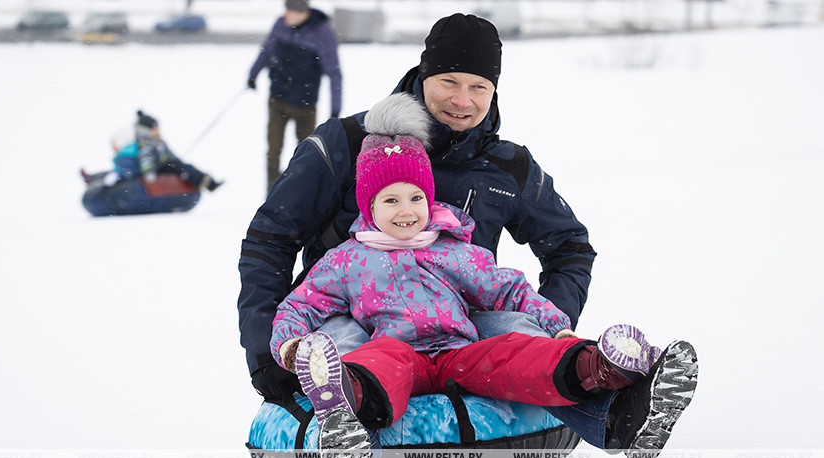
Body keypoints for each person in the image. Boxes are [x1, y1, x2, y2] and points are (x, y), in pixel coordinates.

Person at [271, 93, 697, 458]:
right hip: (399, 351)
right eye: (391, 200)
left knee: (512, 351)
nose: (407, 211)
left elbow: (509, 292)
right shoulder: (347, 259)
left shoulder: (453, 248)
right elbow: (299, 306)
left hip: (459, 352)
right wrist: (290, 348)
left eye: (416, 198)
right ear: (369, 205)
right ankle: (346, 408)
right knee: (381, 361)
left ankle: (599, 366)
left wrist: (559, 328)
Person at [238, 13, 596, 406]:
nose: (463, 101)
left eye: (479, 86)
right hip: (353, 325)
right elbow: (270, 239)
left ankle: (603, 388)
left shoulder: (506, 166)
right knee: (345, 349)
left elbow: (570, 246)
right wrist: (265, 355)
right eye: (449, 82)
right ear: (422, 76)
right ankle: (343, 404)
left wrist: (551, 324)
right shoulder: (348, 143)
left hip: (462, 333)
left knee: (520, 335)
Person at [246, 0, 342, 193]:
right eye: (286, 10)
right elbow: (266, 52)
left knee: (306, 152)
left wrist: (335, 107)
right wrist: (253, 75)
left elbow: (334, 72)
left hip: (305, 105)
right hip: (277, 100)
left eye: (292, 11)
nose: (287, 15)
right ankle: (271, 194)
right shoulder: (280, 25)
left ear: (303, 13)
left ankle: (301, 194)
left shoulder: (321, 33)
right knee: (273, 151)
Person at [81, 110, 223, 192]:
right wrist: (149, 174)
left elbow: (169, 154)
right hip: (157, 169)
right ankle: (92, 178)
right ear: (148, 129)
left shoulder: (157, 141)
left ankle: (206, 182)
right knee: (182, 167)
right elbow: (146, 158)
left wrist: (176, 159)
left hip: (165, 165)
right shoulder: (146, 142)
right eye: (155, 128)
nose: (158, 130)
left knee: (183, 166)